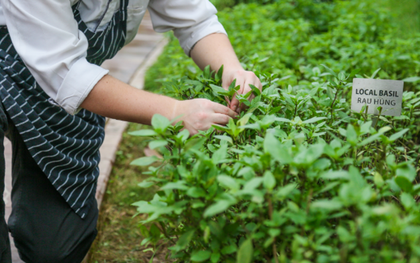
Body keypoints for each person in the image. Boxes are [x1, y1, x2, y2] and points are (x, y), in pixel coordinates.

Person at [0, 0, 262, 262]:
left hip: (64, 97)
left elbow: (195, 20)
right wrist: (173, 112)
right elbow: (65, 72)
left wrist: (232, 69)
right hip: (21, 60)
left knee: (57, 247)